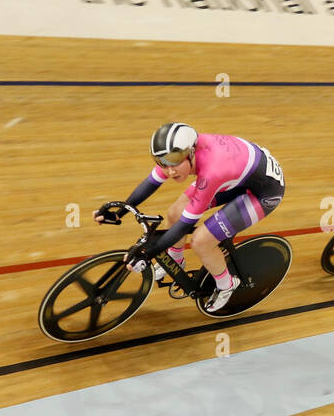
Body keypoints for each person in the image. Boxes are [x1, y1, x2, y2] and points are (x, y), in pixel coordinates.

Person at [94, 123, 285, 313]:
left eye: (174, 165)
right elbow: (151, 183)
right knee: (174, 213)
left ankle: (227, 285)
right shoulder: (175, 153)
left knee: (201, 241)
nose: (170, 172)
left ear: (192, 153)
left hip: (264, 193)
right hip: (239, 175)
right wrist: (119, 212)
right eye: (164, 165)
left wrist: (148, 253)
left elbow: (186, 224)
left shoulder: (211, 171)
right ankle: (175, 261)